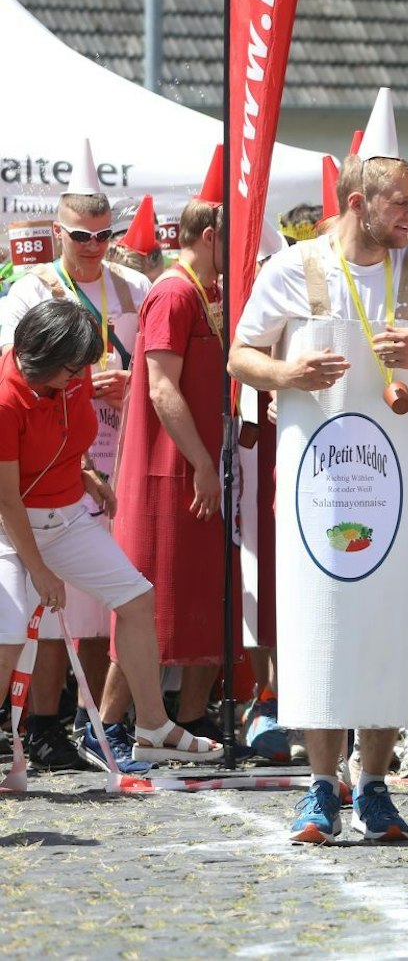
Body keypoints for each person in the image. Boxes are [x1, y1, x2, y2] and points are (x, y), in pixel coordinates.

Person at [229, 126, 408, 843]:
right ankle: (319, 786)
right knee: (317, 627)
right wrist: (286, 375)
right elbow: (243, 354)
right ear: (358, 200)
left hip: (397, 484)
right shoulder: (294, 266)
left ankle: (373, 784)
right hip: (317, 487)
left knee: (393, 627)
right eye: (402, 204)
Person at [0, 299, 223, 771]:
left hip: (65, 518)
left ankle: (153, 727)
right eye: (70, 369)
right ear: (39, 357)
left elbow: (66, 432)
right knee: (8, 633)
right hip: (9, 527)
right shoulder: (5, 398)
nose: (78, 377)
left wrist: (85, 471)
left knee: (137, 598)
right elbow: (7, 499)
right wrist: (39, 571)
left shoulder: (70, 369)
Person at [0, 143, 154, 771]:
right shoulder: (31, 291)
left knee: (103, 605)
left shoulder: (135, 284)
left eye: (105, 234)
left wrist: (89, 466)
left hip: (103, 451)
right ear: (59, 233)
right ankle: (39, 723)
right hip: (34, 465)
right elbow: (25, 373)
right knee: (30, 609)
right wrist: (89, 384)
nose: (95, 246)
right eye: (84, 236)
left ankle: (106, 726)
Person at [104, 193, 235, 764]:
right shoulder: (175, 291)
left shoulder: (207, 292)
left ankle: (182, 724)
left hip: (192, 469)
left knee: (193, 595)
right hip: (168, 472)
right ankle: (109, 726)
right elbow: (161, 388)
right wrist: (203, 463)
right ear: (210, 236)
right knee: (147, 600)